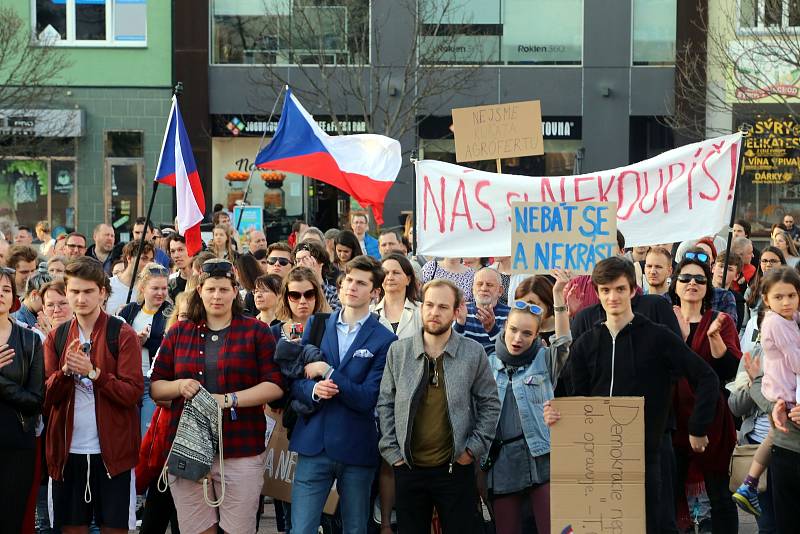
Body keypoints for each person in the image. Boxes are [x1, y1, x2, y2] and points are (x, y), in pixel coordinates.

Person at [545, 257, 719, 534]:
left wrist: (698, 429)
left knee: (655, 527)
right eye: (605, 290)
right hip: (599, 456)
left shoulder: (658, 337)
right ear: (598, 292)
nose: (612, 297)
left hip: (650, 453)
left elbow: (706, 377)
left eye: (619, 289)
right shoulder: (586, 343)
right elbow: (568, 396)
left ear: (633, 290)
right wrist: (555, 412)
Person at [151, 258, 284, 534]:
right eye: (211, 289)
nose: (217, 296)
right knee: (196, 530)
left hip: (241, 447)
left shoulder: (256, 331)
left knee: (238, 529)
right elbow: (156, 387)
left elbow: (274, 385)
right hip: (189, 446)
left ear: (235, 291)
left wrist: (228, 399)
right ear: (199, 290)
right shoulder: (179, 332)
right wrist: (179, 386)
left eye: (224, 289)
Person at [377, 278, 500, 534]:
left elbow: (490, 405)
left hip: (456, 468)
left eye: (443, 307)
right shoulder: (397, 352)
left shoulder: (473, 353)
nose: (434, 312)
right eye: (430, 305)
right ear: (421, 308)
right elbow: (385, 404)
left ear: (456, 312)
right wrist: (393, 454)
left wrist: (471, 451)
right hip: (409, 469)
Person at [286, 255, 396, 534]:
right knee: (301, 530)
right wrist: (313, 389)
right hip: (313, 443)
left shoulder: (385, 340)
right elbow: (296, 382)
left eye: (361, 283)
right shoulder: (318, 324)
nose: (352, 287)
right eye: (348, 280)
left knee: (355, 529)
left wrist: (329, 373)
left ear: (375, 293)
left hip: (356, 447)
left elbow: (367, 397)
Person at [43, 256, 144, 533]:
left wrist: (94, 373)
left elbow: (132, 393)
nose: (80, 298)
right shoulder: (57, 337)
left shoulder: (122, 334)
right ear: (66, 292)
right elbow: (46, 399)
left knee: (114, 528)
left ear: (102, 292)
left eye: (88, 291)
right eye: (74, 291)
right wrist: (65, 372)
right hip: (67, 453)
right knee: (71, 528)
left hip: (113, 455)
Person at [483, 269, 571, 534]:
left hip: (541, 455)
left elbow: (564, 341)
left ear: (536, 336)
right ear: (504, 328)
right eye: (513, 330)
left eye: (526, 333)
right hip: (502, 463)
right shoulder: (488, 364)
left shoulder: (544, 361)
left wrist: (558, 297)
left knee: (555, 530)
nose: (518, 338)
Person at [669, 255, 742, 533]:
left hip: (712, 419)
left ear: (707, 286)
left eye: (700, 279)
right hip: (674, 418)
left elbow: (731, 371)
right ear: (675, 284)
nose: (692, 283)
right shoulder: (664, 321)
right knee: (672, 494)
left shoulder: (721, 322)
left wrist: (715, 341)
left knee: (720, 495)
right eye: (685, 278)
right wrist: (682, 337)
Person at [0, 265, 44, 534]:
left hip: (17, 442)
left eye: (5, 289)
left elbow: (35, 400)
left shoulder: (29, 339)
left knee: (12, 519)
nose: (0, 295)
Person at [728, 340, 777, 530]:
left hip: (790, 446)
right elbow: (735, 406)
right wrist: (753, 383)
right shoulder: (755, 355)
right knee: (767, 524)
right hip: (756, 444)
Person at [118, 263, 171, 438]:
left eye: (164, 288)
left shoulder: (170, 314)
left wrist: (147, 342)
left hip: (153, 383)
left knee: (147, 436)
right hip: (128, 379)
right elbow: (115, 340)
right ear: (142, 288)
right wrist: (133, 340)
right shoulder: (130, 310)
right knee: (127, 435)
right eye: (155, 288)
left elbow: (170, 347)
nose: (160, 293)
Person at [454, 267, 510, 353]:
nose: (484, 289)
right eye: (479, 284)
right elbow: (452, 346)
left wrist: (492, 329)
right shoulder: (462, 310)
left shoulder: (510, 315)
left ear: (500, 291)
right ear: (472, 289)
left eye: (489, 285)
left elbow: (509, 350)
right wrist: (460, 323)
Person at [271, 266, 331, 342]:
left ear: (317, 296)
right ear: (286, 298)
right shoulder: (273, 333)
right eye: (295, 295)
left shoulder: (328, 331)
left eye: (309, 294)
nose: (302, 301)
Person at [684, 246, 738, 324]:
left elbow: (730, 331)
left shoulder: (723, 296)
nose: (693, 281)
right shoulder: (669, 297)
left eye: (699, 275)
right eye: (688, 275)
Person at [373, 253, 421, 338]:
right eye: (386, 273)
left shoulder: (421, 311)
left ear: (408, 279)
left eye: (396, 273)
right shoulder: (370, 312)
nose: (390, 277)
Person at [105, 239, 155, 315]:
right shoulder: (108, 284)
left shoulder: (149, 288)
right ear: (129, 258)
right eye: (144, 259)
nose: (148, 264)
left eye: (151, 260)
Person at [294, 240, 341, 310]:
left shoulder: (335, 293)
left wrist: (315, 279)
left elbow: (332, 318)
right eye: (298, 260)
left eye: (306, 259)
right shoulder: (293, 291)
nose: (300, 264)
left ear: (321, 263)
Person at [513, 276, 556, 346]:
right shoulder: (512, 328)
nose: (525, 310)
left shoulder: (562, 330)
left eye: (533, 305)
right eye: (520, 304)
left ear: (549, 305)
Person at [167, 234, 193, 301]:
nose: (176, 255)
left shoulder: (203, 279)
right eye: (172, 251)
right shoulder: (170, 282)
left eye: (180, 250)